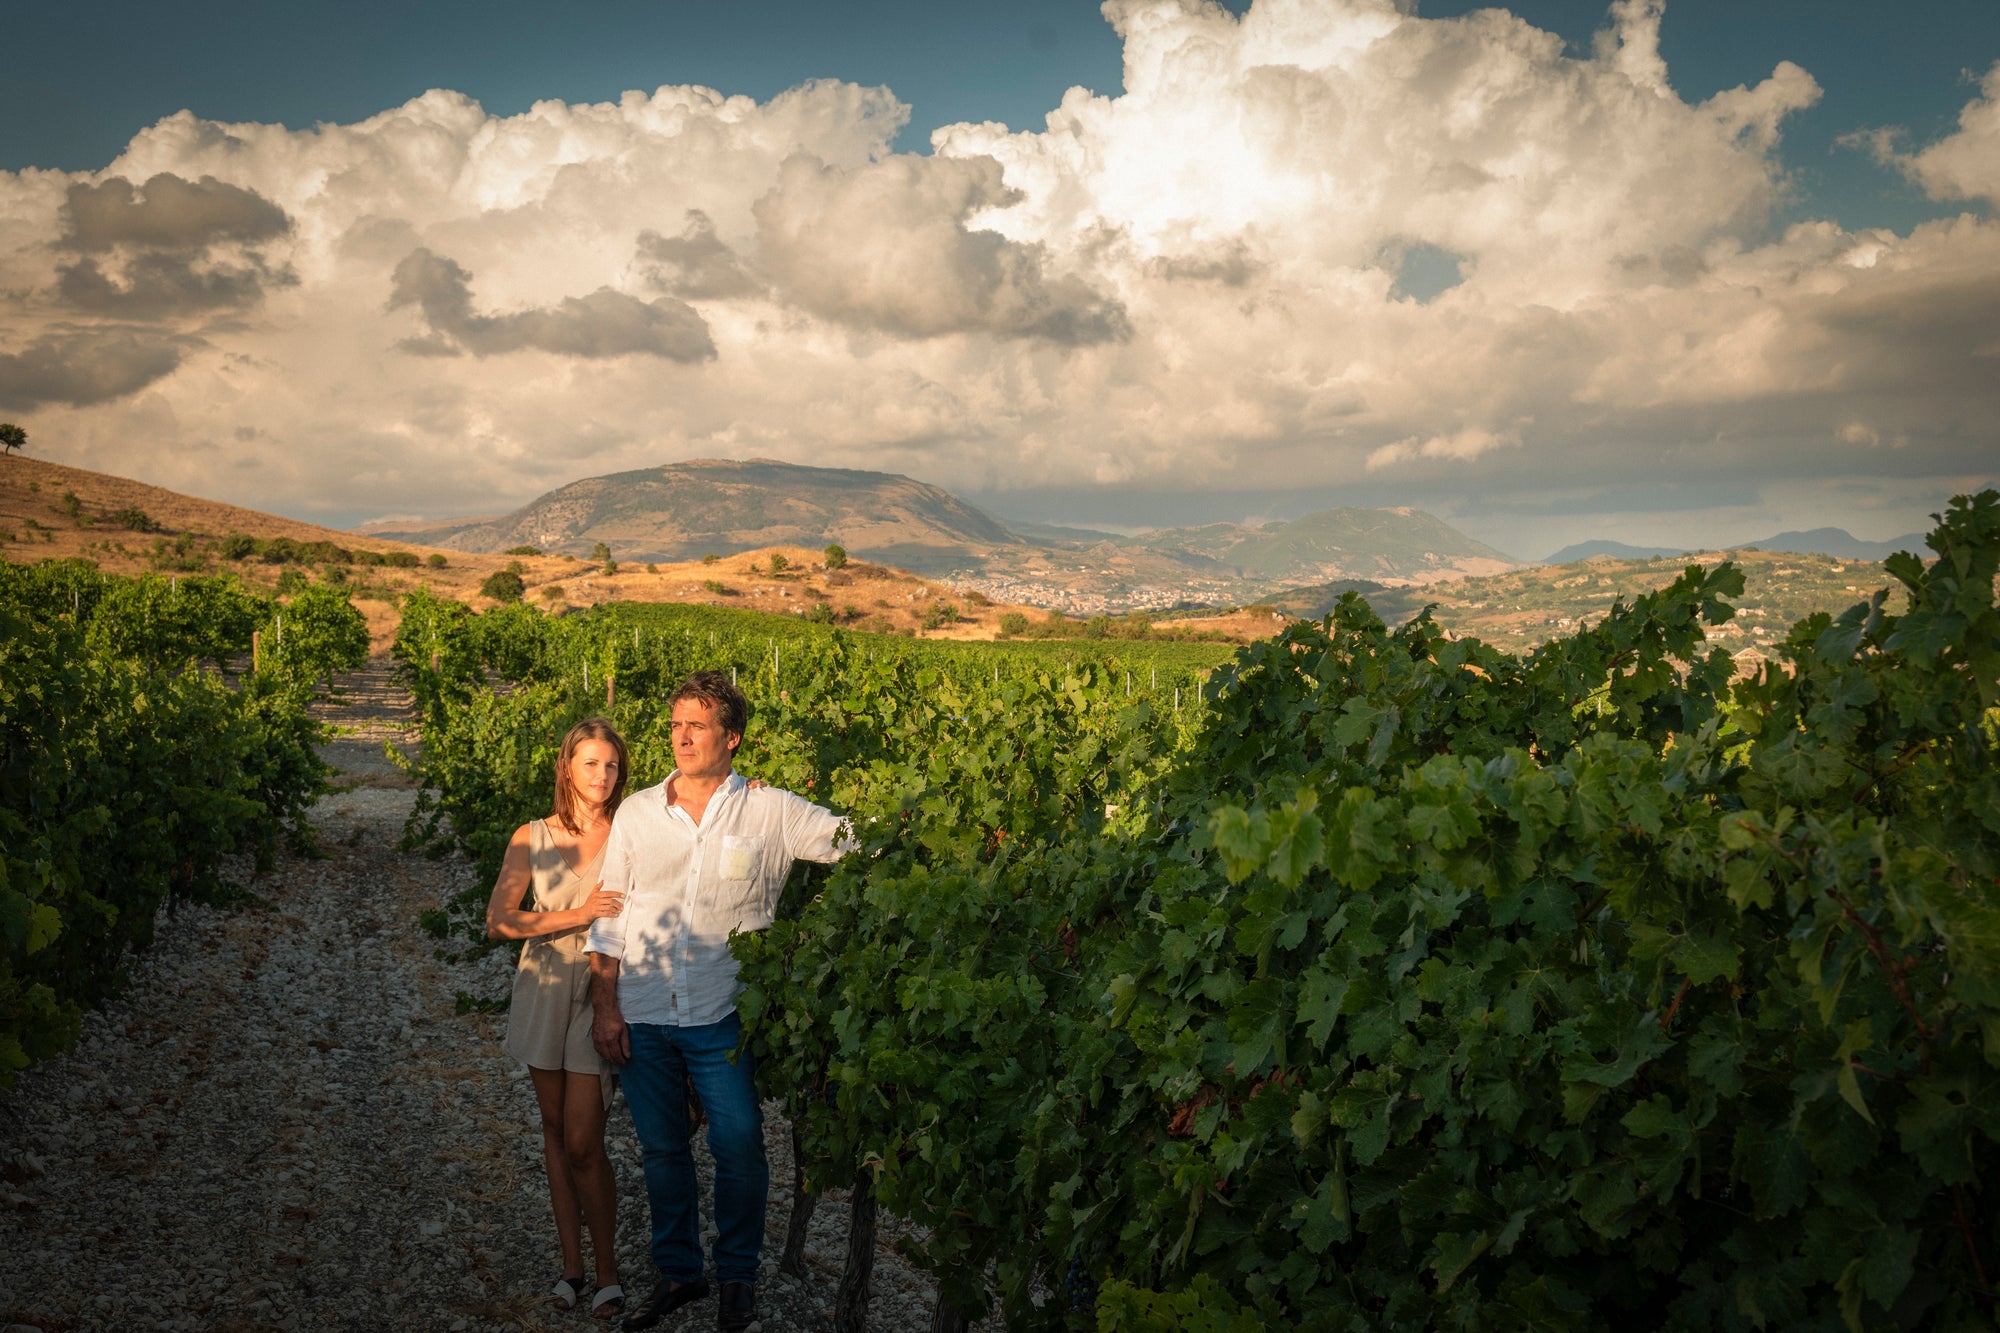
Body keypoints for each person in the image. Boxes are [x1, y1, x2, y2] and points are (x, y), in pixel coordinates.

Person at [587, 671, 854, 1333]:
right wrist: (606, 1006)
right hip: (644, 1005)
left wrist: (928, 820)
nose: (682, 737)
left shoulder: (772, 810)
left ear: (731, 737)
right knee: (662, 1150)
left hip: (723, 1012)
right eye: (676, 724)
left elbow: (852, 838)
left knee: (739, 1146)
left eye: (698, 726)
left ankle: (738, 1278)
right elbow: (611, 913)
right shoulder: (638, 812)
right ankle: (679, 1273)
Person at [484, 717, 631, 1321]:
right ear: (567, 767)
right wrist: (577, 914)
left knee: (584, 1141)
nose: (602, 775)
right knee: (553, 1130)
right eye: (591, 763)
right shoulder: (531, 835)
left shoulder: (631, 828)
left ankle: (608, 1273)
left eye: (612, 765)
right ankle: (571, 1269)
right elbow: (500, 920)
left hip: (602, 986)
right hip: (544, 983)